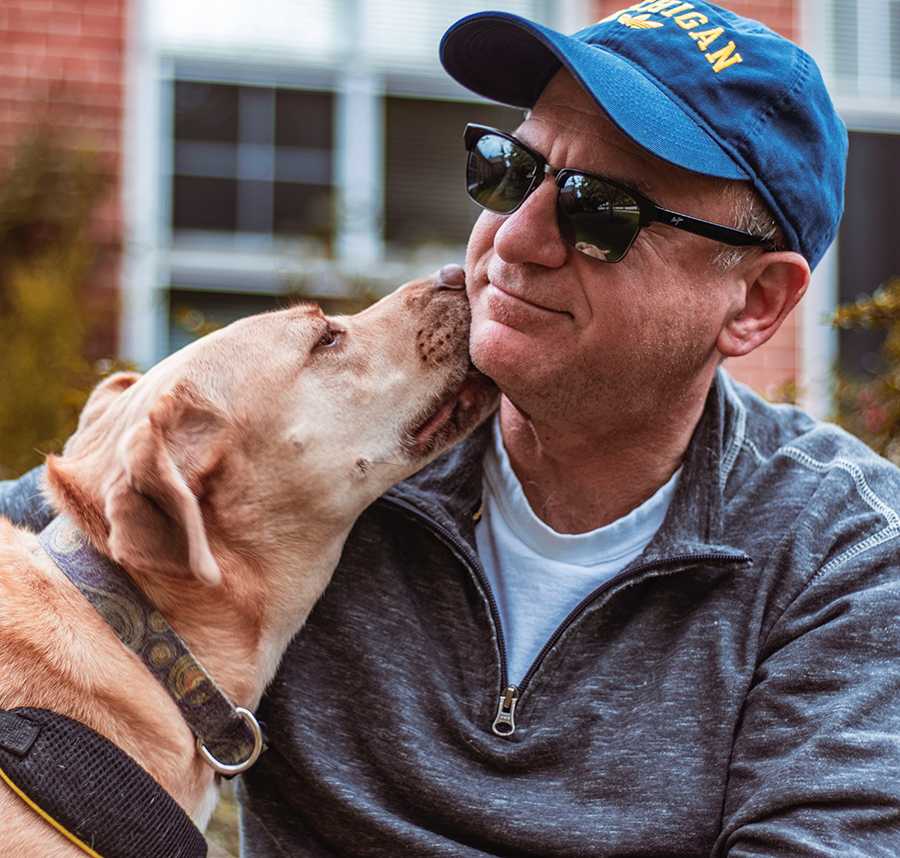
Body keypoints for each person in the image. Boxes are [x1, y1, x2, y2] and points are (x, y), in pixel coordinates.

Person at [3, 1, 899, 854]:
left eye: (599, 211)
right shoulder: (335, 454)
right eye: (509, 171)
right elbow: (61, 555)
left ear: (755, 302)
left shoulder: (842, 561)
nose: (513, 237)